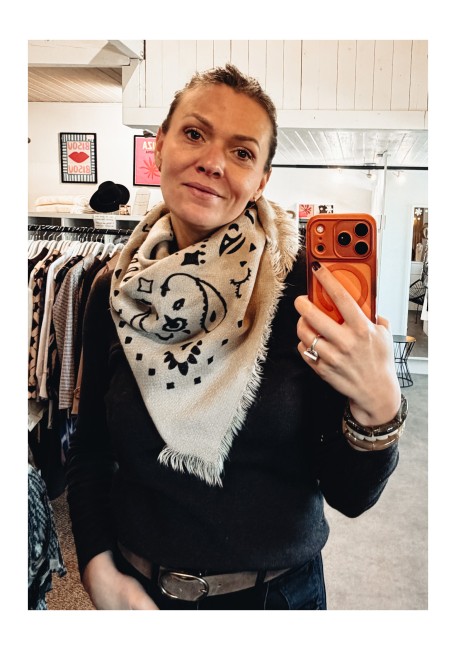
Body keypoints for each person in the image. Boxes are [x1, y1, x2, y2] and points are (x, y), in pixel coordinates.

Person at [66, 63, 406, 610]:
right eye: (194, 133)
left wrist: (379, 406)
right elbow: (90, 449)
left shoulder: (302, 292)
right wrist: (97, 567)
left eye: (243, 152)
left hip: (277, 600)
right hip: (139, 594)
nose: (213, 162)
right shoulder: (115, 289)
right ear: (160, 145)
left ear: (261, 181)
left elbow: (350, 495)